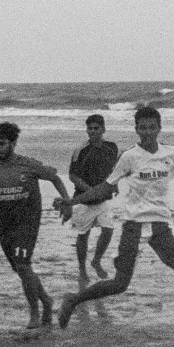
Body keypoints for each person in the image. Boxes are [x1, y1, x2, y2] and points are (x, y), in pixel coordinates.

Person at [57, 104, 174, 347]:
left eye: (151, 127)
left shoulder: (171, 152)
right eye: (142, 128)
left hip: (161, 225)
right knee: (121, 283)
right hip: (134, 225)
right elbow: (104, 187)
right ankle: (74, 300)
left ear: (159, 128)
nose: (147, 132)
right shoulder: (129, 157)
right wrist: (73, 201)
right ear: (136, 130)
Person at [0, 121, 71, 330]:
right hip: (4, 227)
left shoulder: (28, 165)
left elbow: (54, 177)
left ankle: (34, 313)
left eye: (2, 144)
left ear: (13, 143)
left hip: (27, 223)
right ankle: (46, 300)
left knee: (23, 265)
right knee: (21, 269)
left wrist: (66, 201)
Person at [68, 113, 119, 280]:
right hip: (83, 200)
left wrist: (114, 184)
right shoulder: (80, 150)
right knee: (83, 235)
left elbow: (113, 169)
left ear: (103, 129)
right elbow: (73, 176)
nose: (92, 131)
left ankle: (96, 260)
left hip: (102, 200)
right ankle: (82, 269)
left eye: (96, 128)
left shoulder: (111, 147)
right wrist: (90, 191)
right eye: (89, 128)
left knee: (108, 229)